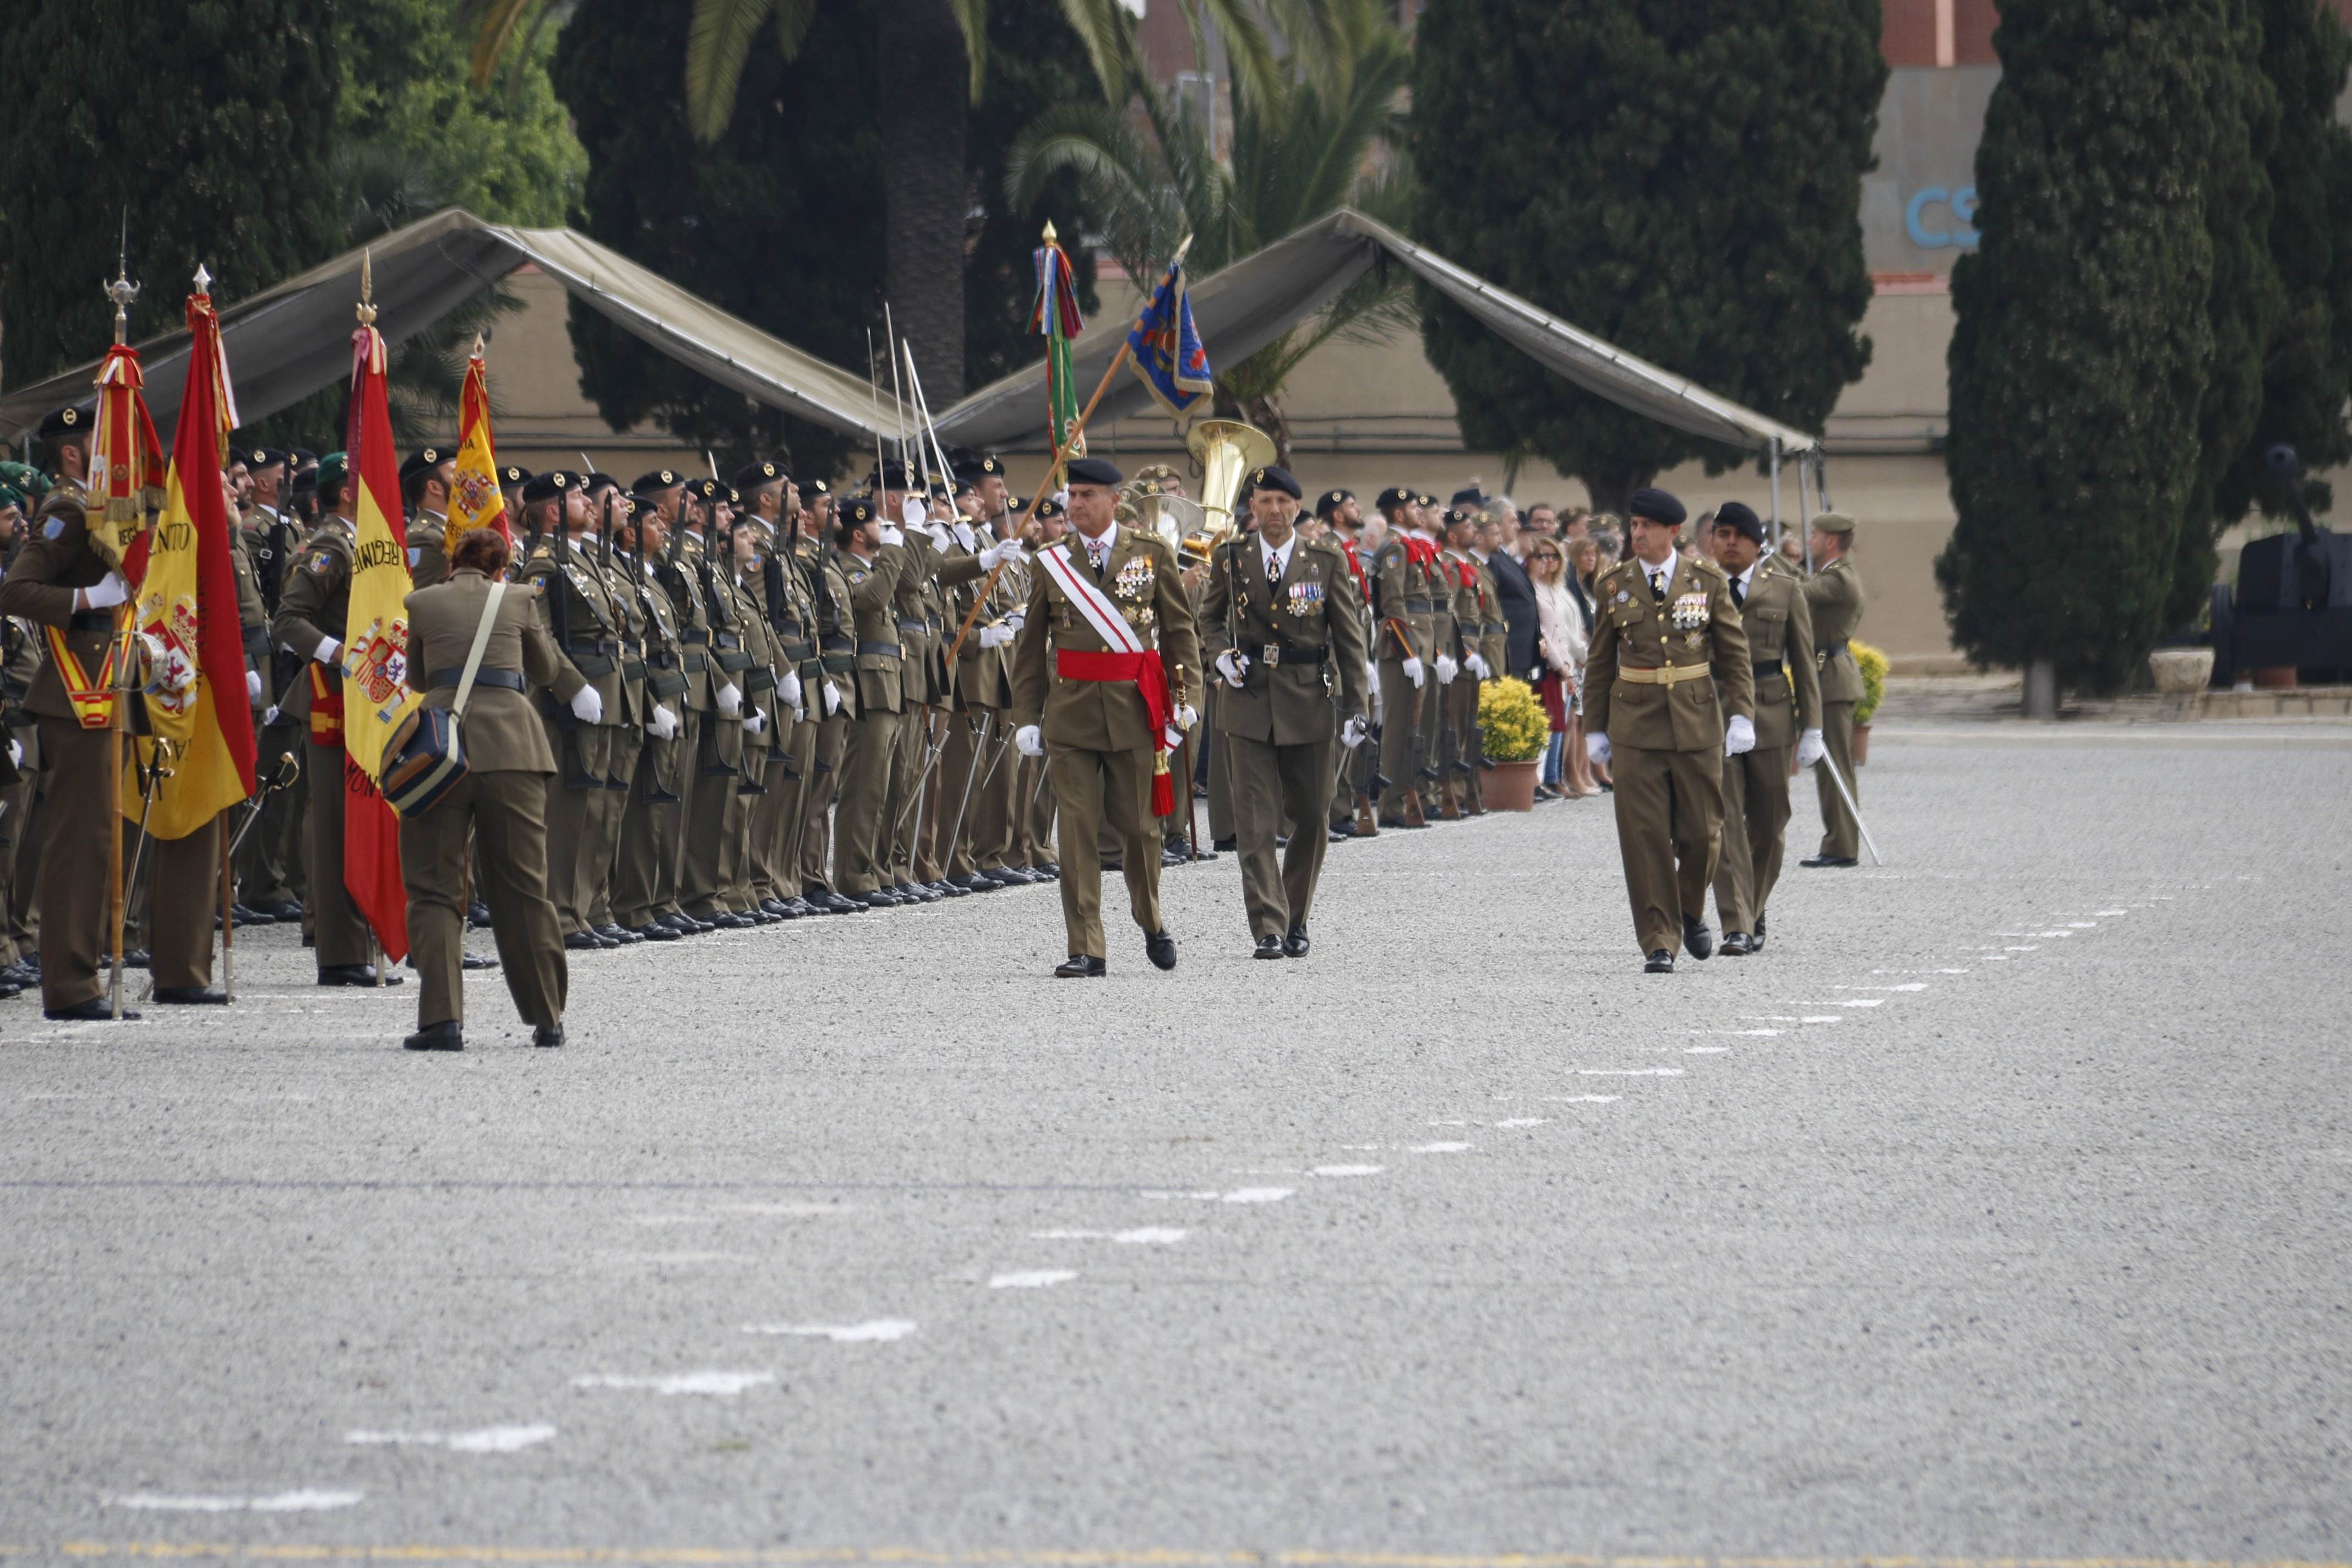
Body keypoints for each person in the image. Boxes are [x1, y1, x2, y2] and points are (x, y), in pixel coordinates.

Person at [0, 404, 229, 1015]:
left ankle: (108, 972)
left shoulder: (103, 508)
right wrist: (87, 596)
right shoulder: (67, 509)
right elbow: (17, 589)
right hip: (75, 693)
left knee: (106, 840)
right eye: (102, 445)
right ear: (74, 454)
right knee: (81, 842)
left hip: (112, 685)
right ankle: (71, 987)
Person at [1009, 455, 1200, 977]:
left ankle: (1151, 918)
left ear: (1115, 501)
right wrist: (1028, 715)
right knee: (1075, 832)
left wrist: (1187, 701)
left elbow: (1180, 634)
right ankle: (1087, 945)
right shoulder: (1050, 560)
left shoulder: (1153, 554)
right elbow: (1030, 649)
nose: (1075, 506)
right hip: (1069, 715)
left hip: (1134, 711)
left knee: (1139, 830)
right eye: (1072, 496)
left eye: (1087, 496)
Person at [396, 528, 575, 1051]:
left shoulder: (422, 601)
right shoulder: (520, 598)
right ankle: (547, 1017)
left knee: (434, 887)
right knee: (523, 886)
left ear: (454, 563)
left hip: (438, 748)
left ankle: (443, 1020)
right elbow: (545, 669)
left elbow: (416, 677)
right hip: (513, 749)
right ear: (503, 568)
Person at [1582, 487, 1755, 973]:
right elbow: (1599, 662)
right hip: (1635, 725)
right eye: (1633, 526)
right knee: (1645, 837)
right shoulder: (1613, 585)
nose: (1636, 535)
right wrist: (1593, 726)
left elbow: (1734, 655)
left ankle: (1687, 907)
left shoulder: (1707, 581)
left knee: (1703, 833)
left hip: (1697, 722)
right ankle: (1659, 939)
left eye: (1646, 527)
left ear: (1672, 533)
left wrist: (1742, 713)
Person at [1199, 465, 1370, 958]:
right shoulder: (1231, 558)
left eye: (1283, 502)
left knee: (1313, 815)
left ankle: (1296, 916)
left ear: (1297, 508)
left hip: (1309, 699)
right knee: (1255, 822)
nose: (1273, 511)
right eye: (1264, 501)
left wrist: (1357, 706)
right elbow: (1209, 617)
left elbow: (1349, 638)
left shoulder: (1326, 560)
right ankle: (1269, 927)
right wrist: (1219, 654)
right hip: (1248, 699)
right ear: (1252, 507)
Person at [1707, 503, 1823, 954]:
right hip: (1714, 710)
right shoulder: (1698, 587)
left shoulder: (1785, 589)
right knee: (1722, 820)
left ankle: (1753, 904)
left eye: (1739, 535)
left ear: (1758, 544)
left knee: (1772, 822)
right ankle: (1737, 923)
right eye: (1722, 534)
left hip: (1771, 712)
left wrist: (1813, 725)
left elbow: (1804, 662)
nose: (1730, 542)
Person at [1799, 511, 1868, 868]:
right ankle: (1837, 842)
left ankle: (1841, 846)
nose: (1808, 540)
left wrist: (1771, 565)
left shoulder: (1839, 579)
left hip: (1832, 678)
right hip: (1828, 675)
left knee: (1836, 765)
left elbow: (1800, 591)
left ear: (1829, 542)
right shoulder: (1834, 574)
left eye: (1813, 535)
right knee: (1829, 766)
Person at [1526, 536, 1585, 798]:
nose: (1548, 561)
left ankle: (1553, 776)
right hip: (1549, 663)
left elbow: (1563, 631)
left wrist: (1568, 666)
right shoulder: (1535, 589)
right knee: (1549, 721)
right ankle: (1543, 778)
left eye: (1554, 556)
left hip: (1563, 661)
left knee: (1560, 721)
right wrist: (1562, 667)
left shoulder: (1556, 588)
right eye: (1542, 556)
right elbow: (1545, 635)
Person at [1561, 535, 1603, 796]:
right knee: (1575, 716)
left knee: (1585, 716)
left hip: (1589, 654)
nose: (1591, 559)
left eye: (1594, 554)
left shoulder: (1588, 586)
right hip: (1577, 655)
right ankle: (1573, 772)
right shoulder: (1568, 585)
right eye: (1586, 553)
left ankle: (1586, 771)